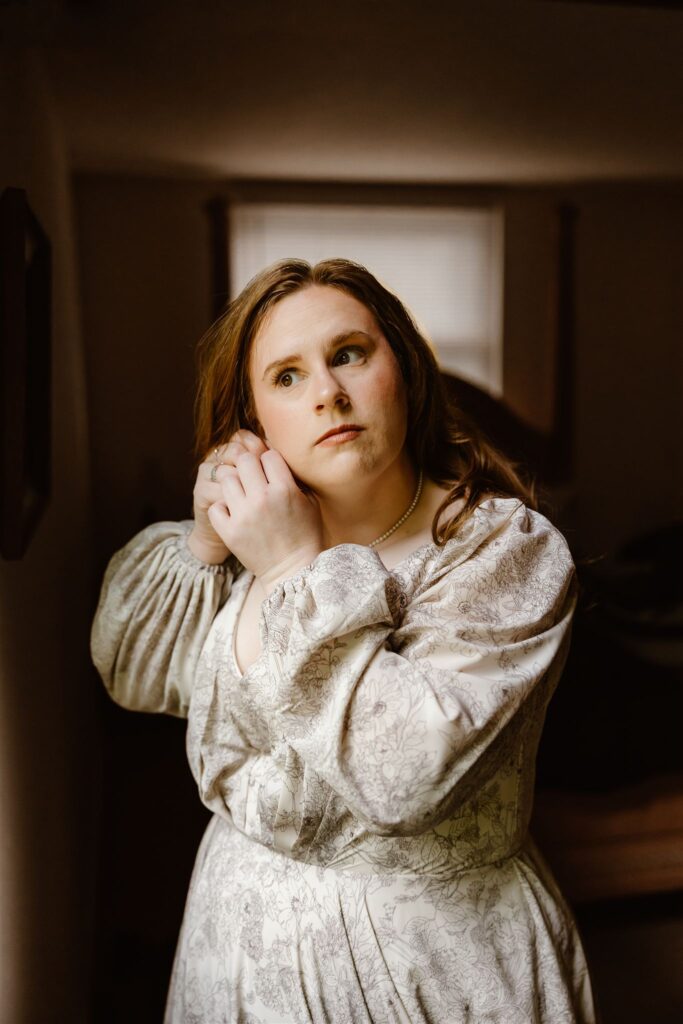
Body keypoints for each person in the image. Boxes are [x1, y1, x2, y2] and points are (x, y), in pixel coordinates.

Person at [91, 257, 596, 1023]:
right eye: (285, 376)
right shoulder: (241, 540)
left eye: (349, 354)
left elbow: (405, 776)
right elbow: (133, 674)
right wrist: (206, 542)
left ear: (404, 367)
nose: (326, 391)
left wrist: (296, 568)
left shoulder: (501, 551)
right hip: (239, 951)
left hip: (437, 965)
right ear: (253, 422)